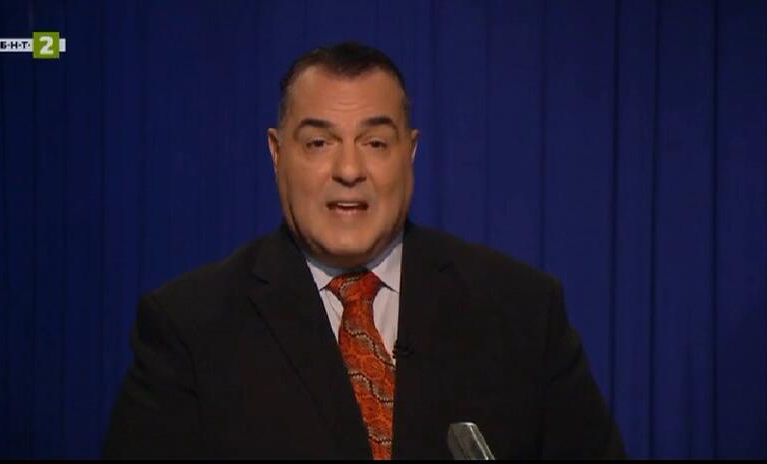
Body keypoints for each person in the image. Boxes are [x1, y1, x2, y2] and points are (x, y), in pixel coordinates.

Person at [102, 42, 626, 459]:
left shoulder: (522, 311)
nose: (349, 170)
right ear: (277, 153)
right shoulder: (189, 328)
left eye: (375, 143)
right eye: (319, 143)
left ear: (410, 153)